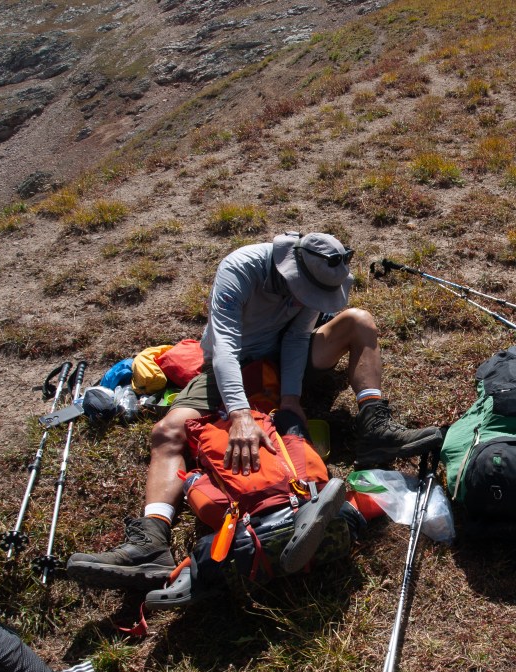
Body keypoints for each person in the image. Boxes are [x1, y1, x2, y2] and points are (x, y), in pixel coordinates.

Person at [67, 232, 443, 590]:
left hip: (286, 357)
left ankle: (374, 425)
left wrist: (291, 398)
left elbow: (297, 337)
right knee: (168, 432)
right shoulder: (241, 269)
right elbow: (225, 347)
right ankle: (151, 542)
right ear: (290, 269)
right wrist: (241, 414)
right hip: (232, 362)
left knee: (358, 321)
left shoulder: (318, 275)